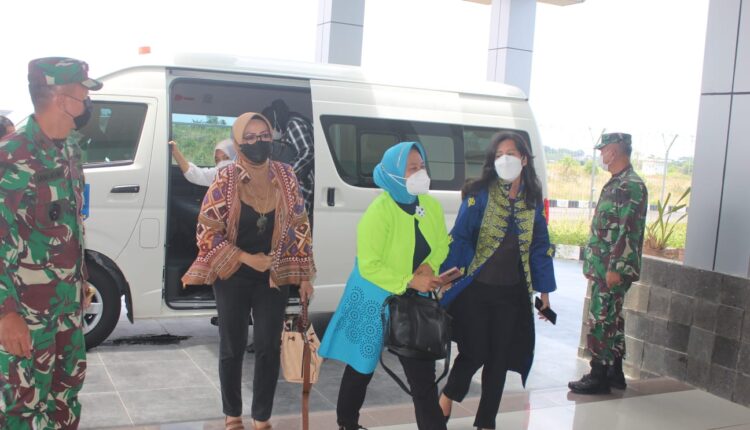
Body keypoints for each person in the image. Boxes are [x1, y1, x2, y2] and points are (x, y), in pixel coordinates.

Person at [181, 112, 315, 430]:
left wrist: (304, 276)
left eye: (264, 136)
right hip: (233, 274)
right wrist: (245, 257)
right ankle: (232, 414)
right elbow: (207, 232)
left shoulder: (286, 175)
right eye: (250, 137)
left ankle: (262, 417)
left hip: (273, 274)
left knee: (268, 346)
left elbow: (299, 224)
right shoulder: (225, 179)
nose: (258, 142)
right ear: (238, 142)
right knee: (233, 345)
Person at [319, 141, 450, 430]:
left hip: (413, 301)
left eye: (422, 166)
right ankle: (347, 423)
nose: (420, 173)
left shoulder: (430, 206)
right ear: (394, 174)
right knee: (361, 365)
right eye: (412, 168)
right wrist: (410, 279)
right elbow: (370, 265)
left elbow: (442, 243)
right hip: (374, 296)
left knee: (422, 375)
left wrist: (430, 266)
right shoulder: (379, 211)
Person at [0, 57, 101, 429]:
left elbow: (71, 225)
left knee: (66, 402)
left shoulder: (70, 150)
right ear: (61, 99)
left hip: (66, 309)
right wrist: (5, 314)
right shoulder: (10, 157)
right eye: (83, 94)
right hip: (26, 317)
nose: (87, 103)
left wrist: (81, 280)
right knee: (23, 411)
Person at [437, 132, 557, 430]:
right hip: (476, 290)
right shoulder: (479, 194)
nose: (505, 159)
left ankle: (486, 421)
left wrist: (544, 294)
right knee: (475, 350)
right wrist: (448, 275)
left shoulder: (532, 201)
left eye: (511, 153)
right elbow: (460, 236)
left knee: (499, 359)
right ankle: (449, 394)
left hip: (512, 294)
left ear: (524, 159)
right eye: (499, 154)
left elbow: (540, 247)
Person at [568, 132, 648, 395]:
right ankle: (615, 371)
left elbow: (629, 230)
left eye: (604, 150)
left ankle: (598, 375)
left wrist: (616, 267)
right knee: (612, 317)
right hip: (604, 266)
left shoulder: (630, 185)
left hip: (611, 269)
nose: (602, 155)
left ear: (614, 151)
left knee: (602, 318)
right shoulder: (618, 182)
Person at [262, 99, 314, 221]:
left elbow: (308, 152)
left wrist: (286, 175)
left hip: (303, 187)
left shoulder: (294, 124)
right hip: (293, 187)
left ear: (275, 122)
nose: (271, 133)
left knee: (296, 225)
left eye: (269, 128)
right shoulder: (286, 128)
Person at [169, 138, 236, 186]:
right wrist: (175, 152)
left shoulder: (240, 174)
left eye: (226, 158)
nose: (222, 163)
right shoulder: (217, 174)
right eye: (217, 160)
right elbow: (195, 174)